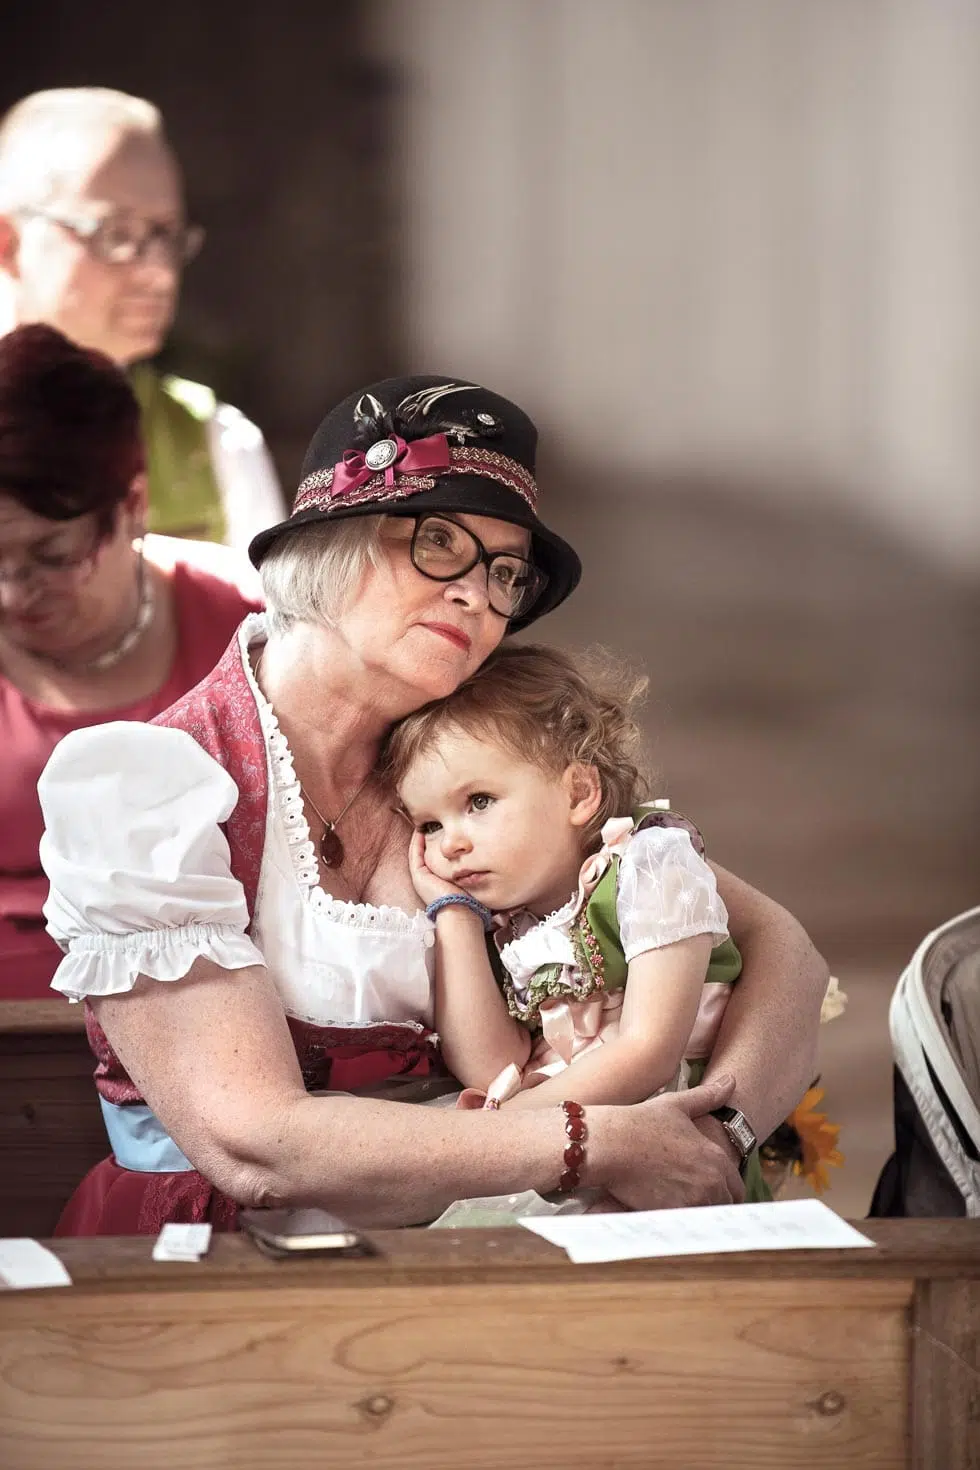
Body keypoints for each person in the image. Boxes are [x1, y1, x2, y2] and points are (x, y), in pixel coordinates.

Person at [37, 374, 829, 1234]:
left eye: (504, 575)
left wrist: (711, 1133)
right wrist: (591, 1142)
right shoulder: (150, 788)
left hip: (458, 1245)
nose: (476, 596)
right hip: (222, 1269)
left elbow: (781, 946)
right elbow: (256, 1146)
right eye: (440, 543)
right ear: (327, 543)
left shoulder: (469, 758)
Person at [385, 641, 769, 1203]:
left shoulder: (651, 865)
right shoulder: (512, 924)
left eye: (481, 801)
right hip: (568, 1143)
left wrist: (496, 1133)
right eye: (430, 825)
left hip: (666, 1142)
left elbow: (648, 1051)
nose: (454, 843)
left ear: (579, 792)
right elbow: (491, 1066)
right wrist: (456, 918)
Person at [0, 323, 262, 1001]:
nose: (10, 592)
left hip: (216, 1027)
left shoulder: (250, 626)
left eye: (49, 558)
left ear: (134, 506)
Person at [0, 86, 286, 548]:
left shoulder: (214, 442)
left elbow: (267, 619)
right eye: (116, 234)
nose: (158, 273)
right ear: (8, 242)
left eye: (166, 236)